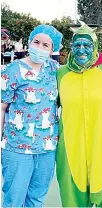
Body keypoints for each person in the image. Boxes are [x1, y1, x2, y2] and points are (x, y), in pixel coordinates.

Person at [56, 22, 102, 207]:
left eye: (87, 45)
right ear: (71, 48)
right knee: (72, 196)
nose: (82, 50)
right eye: (77, 45)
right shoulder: (60, 74)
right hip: (70, 145)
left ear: (94, 47)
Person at [1, 24, 62, 207]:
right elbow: (2, 107)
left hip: (47, 148)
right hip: (17, 147)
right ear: (29, 42)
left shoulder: (54, 70)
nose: (40, 47)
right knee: (14, 199)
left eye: (46, 45)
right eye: (36, 42)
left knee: (36, 199)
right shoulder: (12, 71)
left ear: (53, 49)